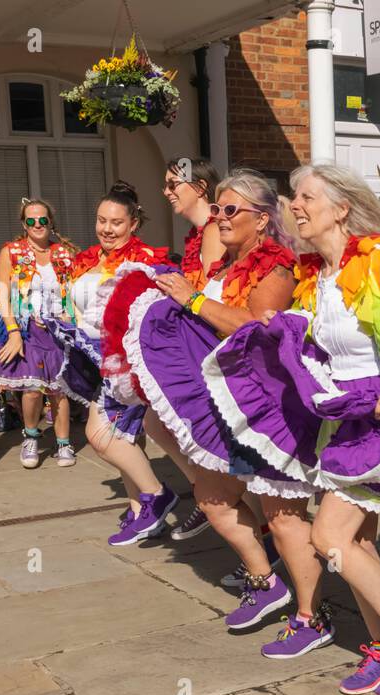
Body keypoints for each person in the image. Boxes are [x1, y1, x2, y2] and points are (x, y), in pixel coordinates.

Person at [204, 163, 380, 695]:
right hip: (341, 418)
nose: (295, 205)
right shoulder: (317, 275)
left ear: (341, 209)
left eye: (307, 196)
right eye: (293, 197)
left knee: (328, 536)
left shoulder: (378, 260)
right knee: (356, 542)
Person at [108, 169, 314, 631]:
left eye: (229, 210)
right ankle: (266, 584)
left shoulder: (276, 266)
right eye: (217, 208)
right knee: (215, 499)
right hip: (225, 404)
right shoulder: (226, 264)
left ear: (262, 220)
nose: (219, 217)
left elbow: (258, 329)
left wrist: (193, 301)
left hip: (266, 408)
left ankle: (313, 615)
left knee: (286, 520)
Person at [51, 181, 177, 544]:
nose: (107, 229)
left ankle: (158, 495)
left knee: (100, 436)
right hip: (92, 358)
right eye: (101, 220)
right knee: (123, 437)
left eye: (116, 223)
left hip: (123, 363)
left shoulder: (146, 262)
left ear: (133, 223)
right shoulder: (91, 258)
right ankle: (141, 511)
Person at [160, 156, 226, 539]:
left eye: (173, 185)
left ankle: (215, 498)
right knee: (161, 421)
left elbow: (213, 293)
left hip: (211, 344)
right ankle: (209, 494)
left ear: (199, 188)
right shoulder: (198, 235)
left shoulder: (215, 230)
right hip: (198, 339)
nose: (167, 192)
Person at [0, 199, 78, 469]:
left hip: (59, 331)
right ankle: (31, 437)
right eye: (31, 221)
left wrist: (71, 316)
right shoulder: (11, 252)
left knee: (59, 391)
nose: (38, 225)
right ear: (23, 224)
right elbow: (3, 295)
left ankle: (64, 443)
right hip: (27, 330)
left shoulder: (65, 253)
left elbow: (75, 292)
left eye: (43, 219)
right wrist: (13, 331)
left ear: (50, 222)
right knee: (32, 390)